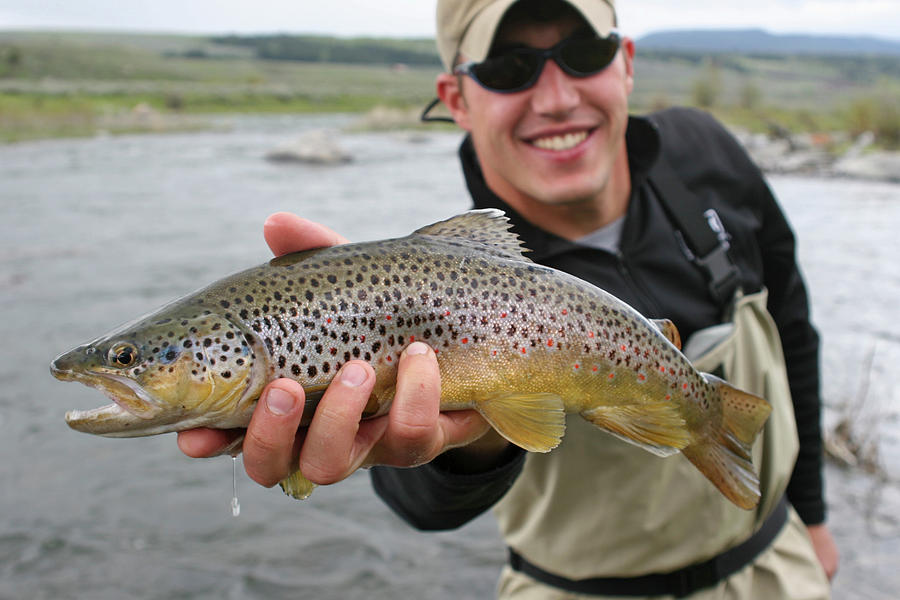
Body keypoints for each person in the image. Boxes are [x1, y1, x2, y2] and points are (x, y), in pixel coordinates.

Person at [178, 0, 839, 597]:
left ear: (626, 62)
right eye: (510, 67)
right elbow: (423, 504)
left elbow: (793, 327)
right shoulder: (441, 280)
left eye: (583, 55)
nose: (554, 98)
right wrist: (469, 444)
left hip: (776, 564)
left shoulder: (708, 154)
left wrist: (813, 517)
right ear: (456, 96)